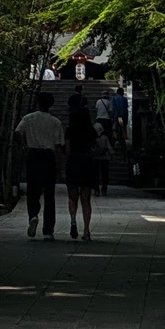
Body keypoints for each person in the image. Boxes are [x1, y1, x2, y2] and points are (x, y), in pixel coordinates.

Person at [12, 90, 63, 239]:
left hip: (33, 154)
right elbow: (59, 145)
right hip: (48, 156)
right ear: (51, 104)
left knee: (32, 191)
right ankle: (48, 230)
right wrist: (59, 165)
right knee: (49, 194)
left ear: (37, 102)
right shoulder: (55, 122)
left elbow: (17, 132)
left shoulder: (28, 118)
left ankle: (33, 215)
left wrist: (24, 146)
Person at [62, 97, 98, 241]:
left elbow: (68, 149)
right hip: (87, 162)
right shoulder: (91, 130)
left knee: (72, 197)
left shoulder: (70, 130)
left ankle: (73, 221)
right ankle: (87, 230)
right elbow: (97, 147)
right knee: (86, 198)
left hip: (74, 162)